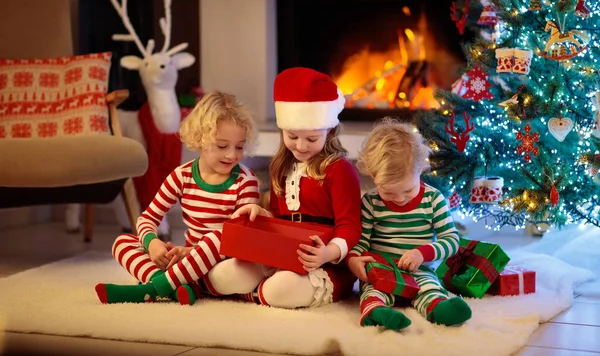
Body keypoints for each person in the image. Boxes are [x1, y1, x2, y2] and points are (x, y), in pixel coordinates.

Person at [202, 67, 362, 309]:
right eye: (292, 136)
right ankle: (252, 290)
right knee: (221, 276)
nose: (300, 146)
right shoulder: (281, 166)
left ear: (329, 131)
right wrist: (262, 214)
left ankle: (255, 294)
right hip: (281, 253)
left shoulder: (339, 170)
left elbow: (349, 226)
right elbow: (279, 218)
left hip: (324, 262)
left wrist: (327, 253)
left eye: (311, 139)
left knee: (278, 290)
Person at [95, 91, 260, 305]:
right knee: (122, 242)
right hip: (185, 265)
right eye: (222, 146)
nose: (232, 155)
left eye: (239, 147)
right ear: (200, 139)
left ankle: (154, 289)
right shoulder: (181, 175)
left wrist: (191, 252)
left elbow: (240, 238)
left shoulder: (245, 181)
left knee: (221, 237)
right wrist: (153, 243)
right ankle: (178, 288)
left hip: (221, 265)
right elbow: (147, 219)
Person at [347, 118, 472, 330]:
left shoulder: (433, 200)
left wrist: (422, 253)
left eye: (408, 190)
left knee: (431, 289)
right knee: (372, 291)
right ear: (372, 175)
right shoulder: (370, 202)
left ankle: (439, 310)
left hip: (420, 271)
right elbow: (361, 242)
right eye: (388, 192)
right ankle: (377, 312)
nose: (400, 199)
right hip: (381, 271)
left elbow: (451, 240)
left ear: (421, 169)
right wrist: (353, 259)